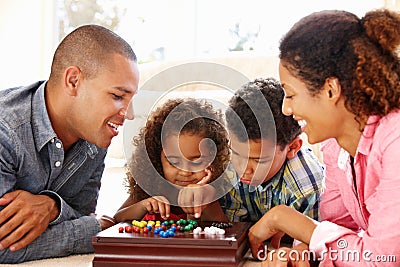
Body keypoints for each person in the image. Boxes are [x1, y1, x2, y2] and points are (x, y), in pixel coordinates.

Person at [248, 9, 400, 266]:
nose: (286, 109)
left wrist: (285, 219)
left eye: (291, 95)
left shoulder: (394, 141)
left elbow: (382, 259)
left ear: (331, 90)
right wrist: (303, 249)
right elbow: (335, 226)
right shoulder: (336, 145)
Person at [0, 25, 139, 263]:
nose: (130, 114)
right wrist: (95, 229)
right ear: (73, 81)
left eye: (131, 98)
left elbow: (83, 211)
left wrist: (52, 206)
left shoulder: (95, 138)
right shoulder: (6, 131)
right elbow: (3, 246)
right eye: (117, 96)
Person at [219, 77, 324, 225]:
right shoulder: (226, 168)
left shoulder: (307, 186)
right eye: (235, 153)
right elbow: (232, 230)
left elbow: (309, 241)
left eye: (258, 160)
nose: (243, 168)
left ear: (292, 148)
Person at [114, 98, 230, 223]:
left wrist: (205, 202)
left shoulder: (218, 191)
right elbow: (116, 219)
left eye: (196, 162)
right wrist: (143, 206)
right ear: (156, 160)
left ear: (214, 159)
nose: (185, 172)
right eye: (174, 162)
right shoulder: (154, 187)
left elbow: (226, 230)